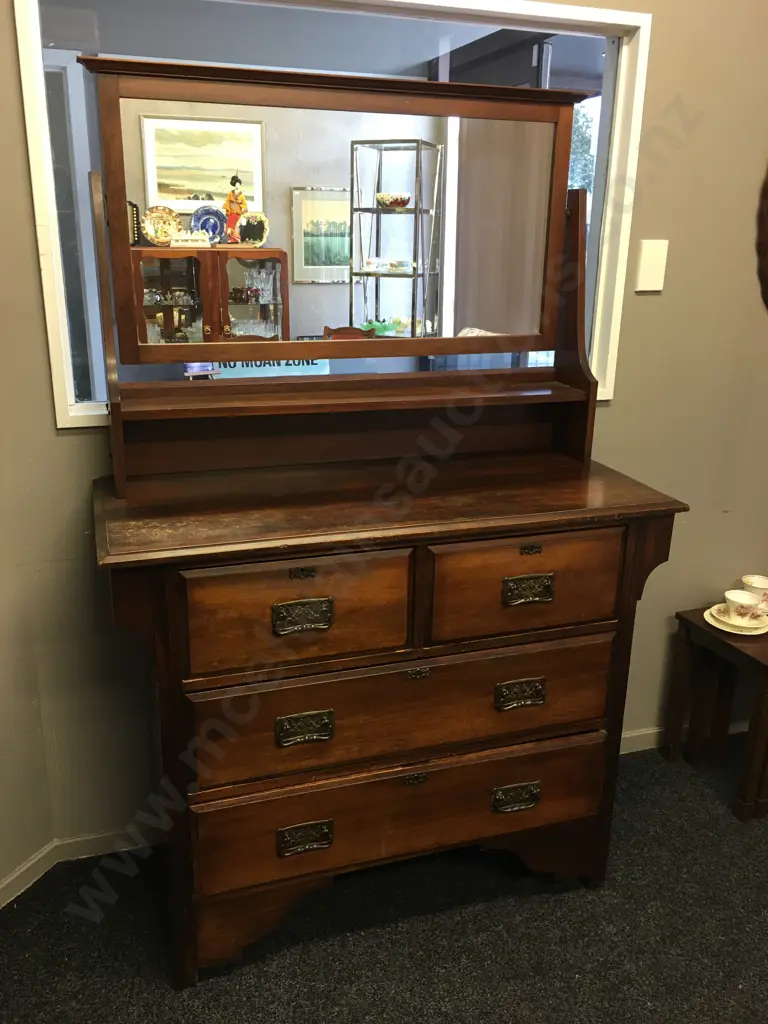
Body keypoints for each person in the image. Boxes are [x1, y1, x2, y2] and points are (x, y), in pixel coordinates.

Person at [222, 174, 248, 243]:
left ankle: (236, 238)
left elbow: (244, 204)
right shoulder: (231, 193)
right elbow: (227, 201)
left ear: (240, 185)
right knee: (229, 225)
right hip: (232, 212)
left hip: (237, 213)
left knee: (235, 226)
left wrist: (243, 208)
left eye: (238, 184)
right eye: (236, 184)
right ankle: (231, 238)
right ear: (234, 185)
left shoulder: (242, 195)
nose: (237, 185)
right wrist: (226, 208)